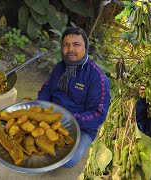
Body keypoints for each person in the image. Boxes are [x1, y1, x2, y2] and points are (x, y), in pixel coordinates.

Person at [38, 27, 111, 168]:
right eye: (66, 45)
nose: (70, 49)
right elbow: (46, 89)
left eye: (76, 44)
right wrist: (43, 108)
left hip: (82, 126)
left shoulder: (97, 77)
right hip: (52, 116)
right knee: (31, 139)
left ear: (85, 47)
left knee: (68, 160)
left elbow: (98, 114)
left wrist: (67, 120)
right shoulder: (60, 67)